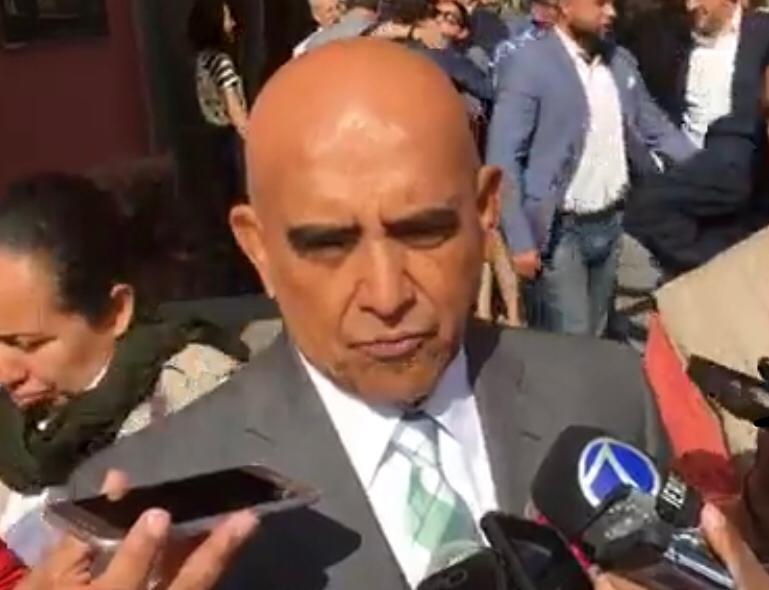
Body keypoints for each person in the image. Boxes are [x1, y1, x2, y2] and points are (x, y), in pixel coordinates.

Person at [68, 40, 669, 589]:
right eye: (328, 245)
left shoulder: (606, 396)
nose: (386, 295)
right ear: (258, 249)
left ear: (486, 210)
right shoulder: (147, 514)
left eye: (425, 231)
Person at [0, 174, 249, 566]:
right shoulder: (14, 423)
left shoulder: (198, 400)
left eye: (29, 344)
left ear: (116, 311)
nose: (5, 373)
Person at [485, 0, 696, 336]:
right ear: (566, 6)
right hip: (559, 232)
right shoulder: (529, 64)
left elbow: (655, 127)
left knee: (597, 332)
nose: (611, 12)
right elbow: (503, 156)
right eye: (600, 3)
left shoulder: (619, 62)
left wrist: (705, 171)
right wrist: (519, 238)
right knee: (572, 337)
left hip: (611, 223)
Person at [188, 0, 248, 202]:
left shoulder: (203, 59)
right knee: (239, 195)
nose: (232, 24)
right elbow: (234, 109)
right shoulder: (221, 62)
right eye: (227, 18)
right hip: (230, 139)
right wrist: (250, 135)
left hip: (211, 137)